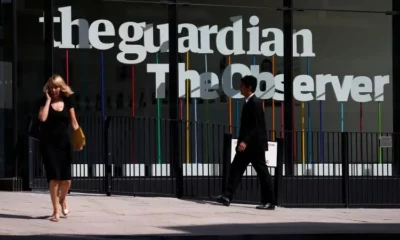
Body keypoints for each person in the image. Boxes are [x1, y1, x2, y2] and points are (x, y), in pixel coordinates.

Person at [213, 75, 275, 210]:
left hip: (254, 146)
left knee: (262, 172)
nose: (240, 88)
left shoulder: (255, 103)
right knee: (236, 168)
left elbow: (255, 126)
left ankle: (269, 201)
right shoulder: (249, 102)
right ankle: (227, 196)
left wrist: (245, 142)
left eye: (242, 86)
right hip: (248, 145)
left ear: (249, 88)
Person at [38, 74, 83, 222]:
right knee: (54, 179)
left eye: (56, 87)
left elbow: (74, 123)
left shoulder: (68, 101)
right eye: (51, 88)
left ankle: (63, 199)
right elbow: (42, 118)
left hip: (64, 144)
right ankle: (55, 211)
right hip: (48, 144)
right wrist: (48, 100)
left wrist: (80, 139)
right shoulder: (44, 100)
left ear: (61, 87)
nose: (54, 90)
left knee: (66, 180)